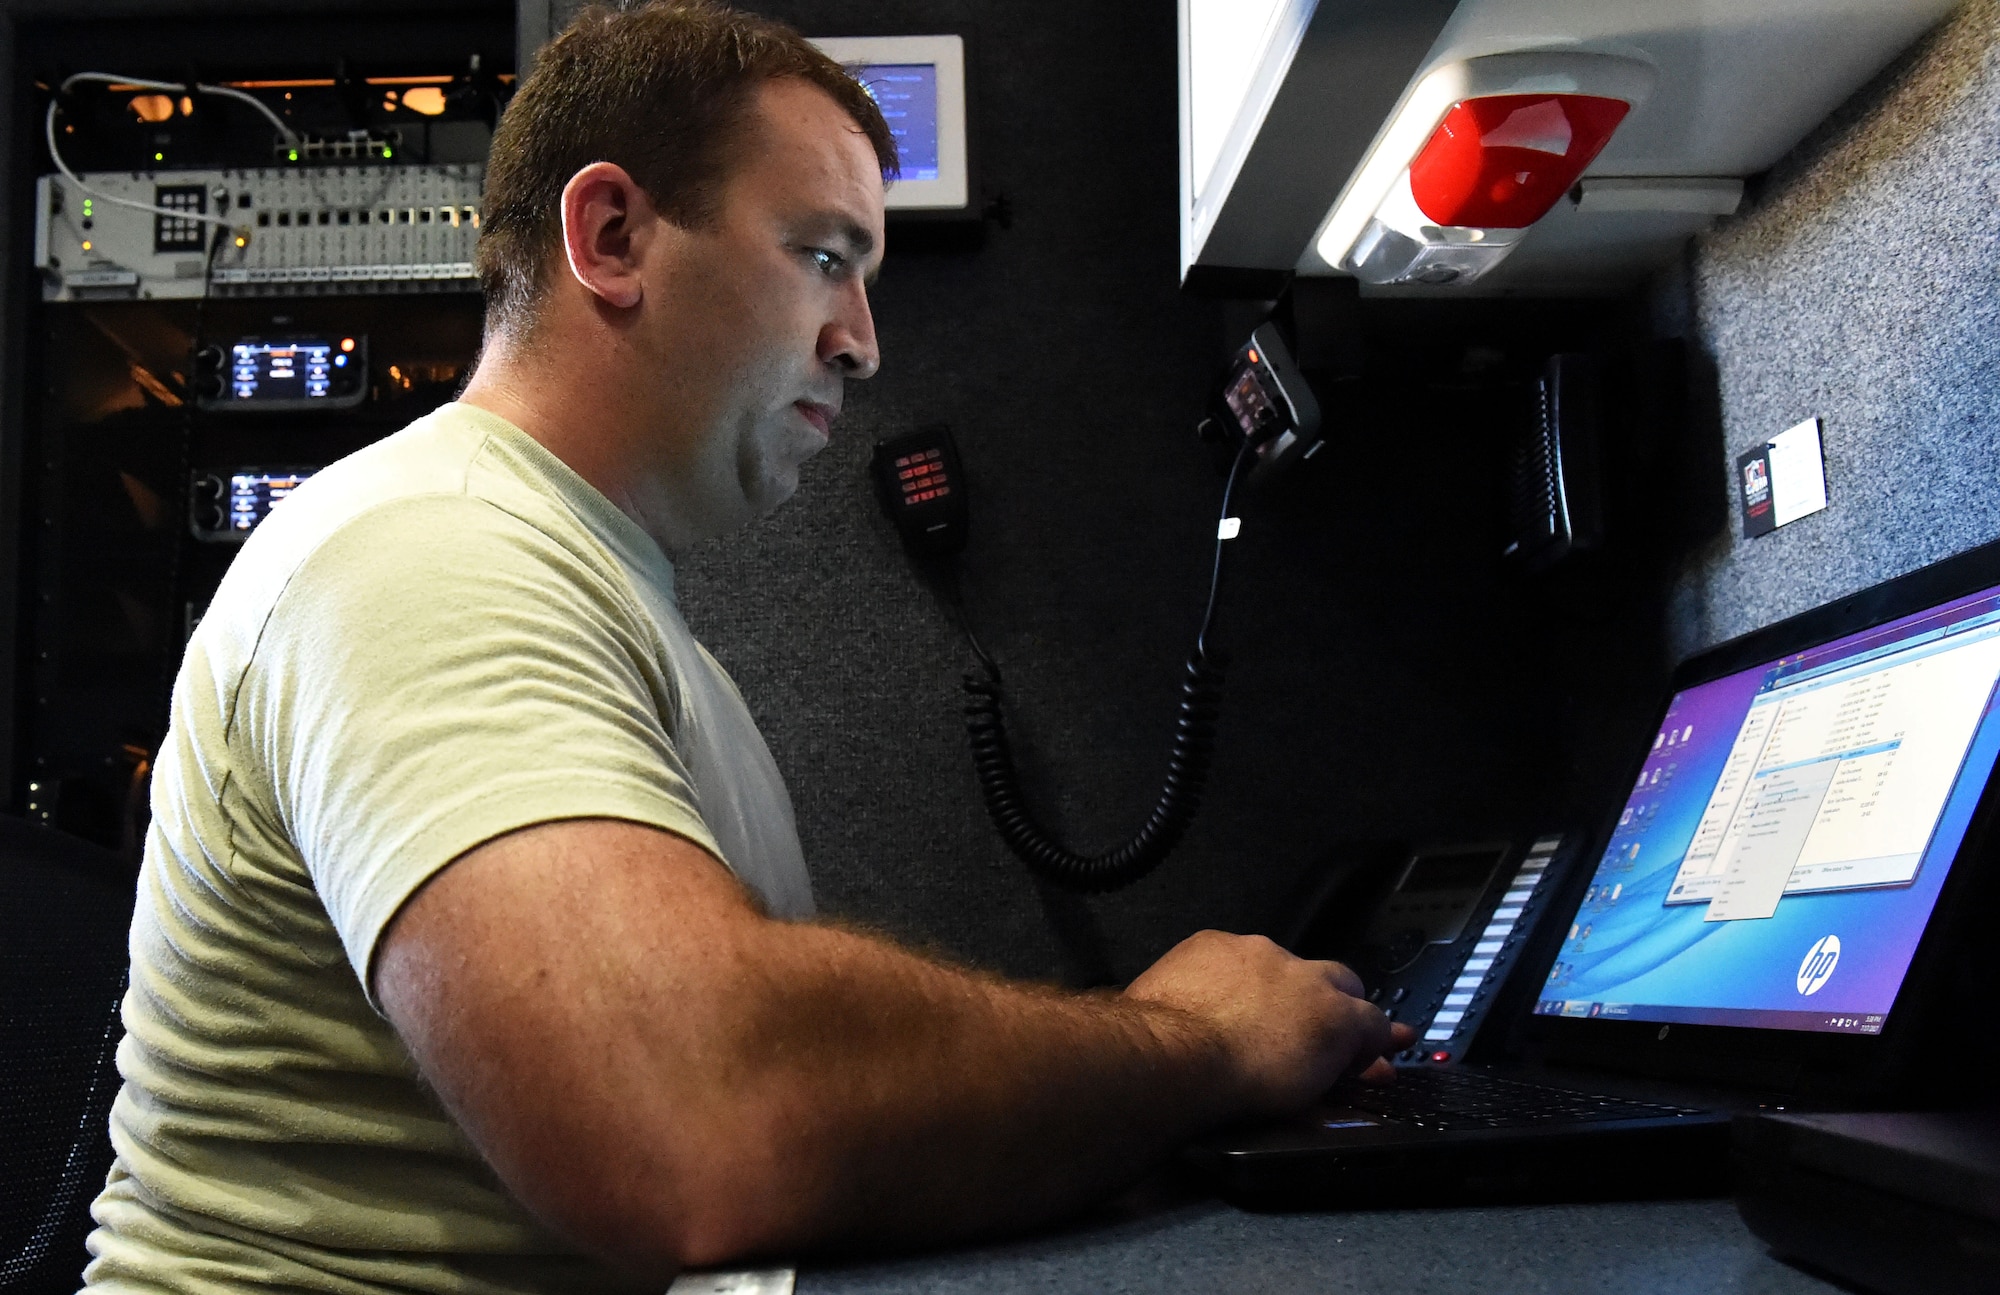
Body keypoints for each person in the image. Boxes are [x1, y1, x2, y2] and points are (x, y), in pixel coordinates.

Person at [84, 3, 1410, 1290]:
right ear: (612, 236)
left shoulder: (575, 577)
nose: (863, 341)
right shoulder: (430, 554)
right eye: (824, 257)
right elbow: (687, 1121)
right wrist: (1199, 1046)